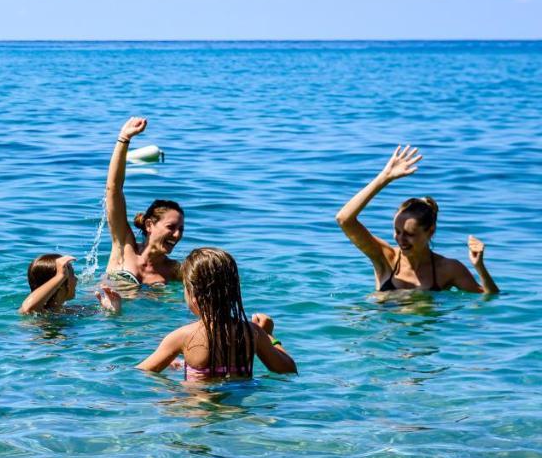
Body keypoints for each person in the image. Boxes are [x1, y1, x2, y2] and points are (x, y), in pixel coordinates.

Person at [336, 146, 498, 294]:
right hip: (387, 324)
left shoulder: (449, 269)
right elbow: (344, 219)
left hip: (426, 326)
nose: (400, 239)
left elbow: (488, 297)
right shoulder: (385, 257)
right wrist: (384, 178)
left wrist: (480, 267)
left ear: (430, 231)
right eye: (397, 232)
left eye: (409, 234)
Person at [137, 248, 296, 381]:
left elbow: (140, 373)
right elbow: (287, 369)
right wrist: (269, 336)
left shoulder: (182, 336)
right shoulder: (252, 333)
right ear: (233, 291)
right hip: (239, 410)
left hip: (195, 411)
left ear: (194, 295)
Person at [103, 117, 184, 288]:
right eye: (171, 227)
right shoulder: (124, 247)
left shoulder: (175, 271)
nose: (177, 235)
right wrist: (124, 138)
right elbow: (113, 189)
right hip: (97, 313)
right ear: (149, 225)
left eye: (180, 230)